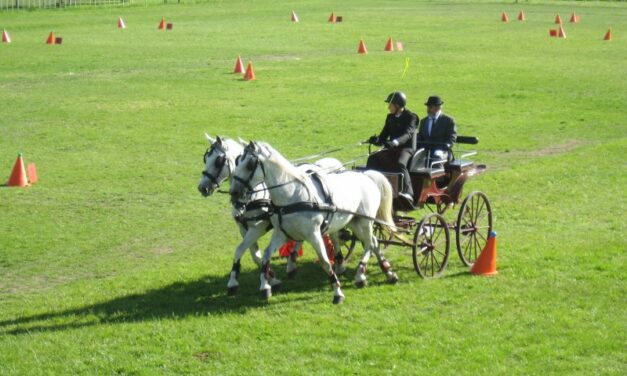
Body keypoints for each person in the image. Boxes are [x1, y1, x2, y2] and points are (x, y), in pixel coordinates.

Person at [367, 91, 418, 202]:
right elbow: (384, 135)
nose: (388, 107)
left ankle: (408, 193)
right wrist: (376, 140)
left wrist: (394, 142)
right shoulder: (390, 117)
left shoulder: (412, 117)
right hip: (392, 148)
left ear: (397, 105)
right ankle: (371, 186)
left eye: (390, 104)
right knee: (373, 158)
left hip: (407, 148)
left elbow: (407, 134)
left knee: (400, 163)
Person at [417, 96, 457, 161]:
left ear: (438, 108)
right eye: (428, 107)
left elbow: (451, 139)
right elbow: (420, 137)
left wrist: (443, 148)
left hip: (443, 151)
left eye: (430, 107)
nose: (428, 109)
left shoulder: (448, 121)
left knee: (436, 158)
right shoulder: (423, 121)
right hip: (426, 151)